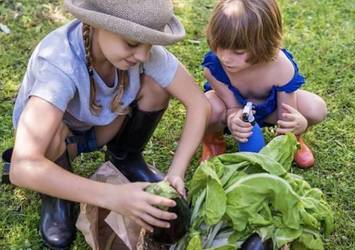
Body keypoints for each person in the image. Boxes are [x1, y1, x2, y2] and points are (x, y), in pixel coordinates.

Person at [8, 0, 210, 248]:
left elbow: (199, 104)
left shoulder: (142, 53)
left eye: (151, 44)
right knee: (49, 139)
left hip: (104, 126)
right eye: (133, 43)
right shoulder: (59, 63)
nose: (144, 55)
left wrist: (176, 171)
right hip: (58, 140)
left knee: (156, 87)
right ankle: (55, 198)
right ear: (96, 24)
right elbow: (23, 166)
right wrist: (113, 197)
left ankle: (125, 158)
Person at [200, 0, 327, 168]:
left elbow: (287, 113)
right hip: (234, 111)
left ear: (264, 44)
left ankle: (294, 141)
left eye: (238, 52)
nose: (225, 58)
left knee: (315, 108)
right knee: (205, 107)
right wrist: (233, 119)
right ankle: (213, 141)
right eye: (219, 47)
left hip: (271, 110)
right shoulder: (214, 67)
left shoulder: (281, 67)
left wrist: (297, 126)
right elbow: (232, 107)